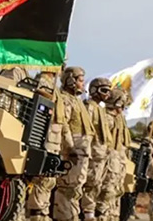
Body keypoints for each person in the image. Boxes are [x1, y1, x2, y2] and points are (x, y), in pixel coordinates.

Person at [53, 67, 95, 221]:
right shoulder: (64, 99)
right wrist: (70, 148)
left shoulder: (78, 101)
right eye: (80, 80)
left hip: (82, 152)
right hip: (72, 152)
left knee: (76, 188)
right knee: (68, 188)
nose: (83, 84)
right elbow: (64, 125)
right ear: (71, 80)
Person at [25, 71, 66, 221]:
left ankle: (42, 212)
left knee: (49, 178)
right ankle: (36, 214)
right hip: (45, 136)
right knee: (41, 178)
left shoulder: (55, 87)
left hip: (54, 139)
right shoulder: (43, 82)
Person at [96, 89, 132, 221]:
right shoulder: (106, 118)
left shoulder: (119, 120)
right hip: (109, 165)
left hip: (118, 166)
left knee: (116, 194)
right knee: (105, 194)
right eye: (123, 103)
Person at [81, 77, 112, 220]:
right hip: (91, 153)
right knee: (88, 183)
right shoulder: (88, 107)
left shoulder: (101, 110)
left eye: (109, 91)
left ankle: (90, 212)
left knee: (96, 184)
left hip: (101, 155)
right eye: (104, 90)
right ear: (94, 90)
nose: (107, 94)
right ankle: (86, 213)